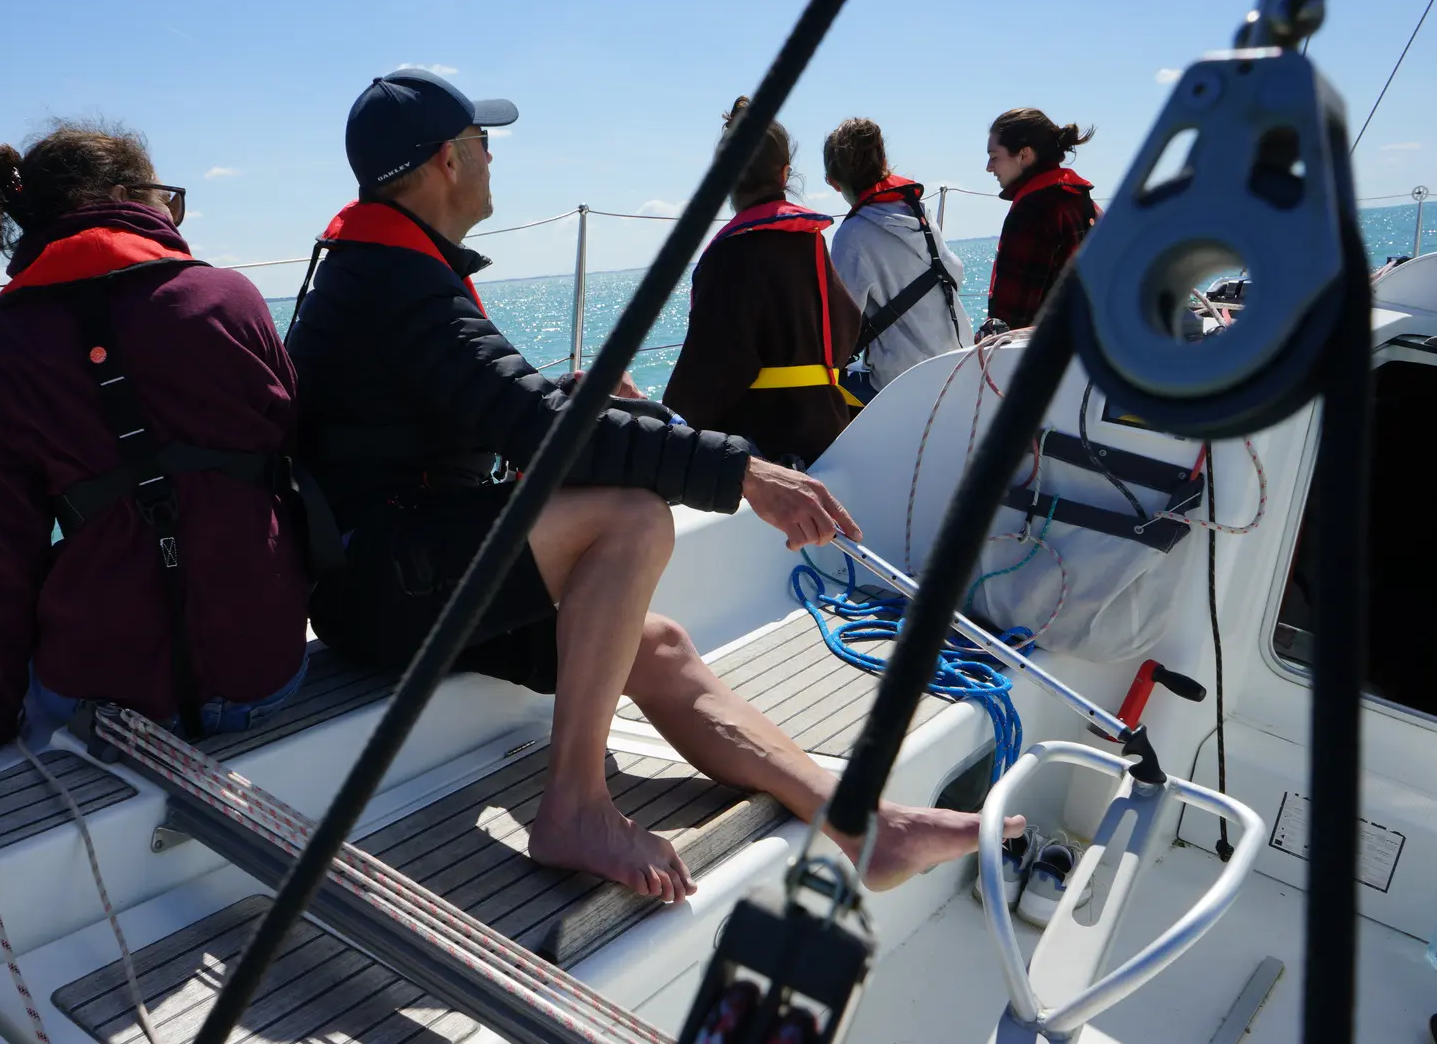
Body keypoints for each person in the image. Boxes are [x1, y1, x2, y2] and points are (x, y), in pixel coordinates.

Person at [287, 70, 1019, 903]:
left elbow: (491, 405)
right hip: (379, 583)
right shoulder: (394, 281)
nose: (494, 159)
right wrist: (740, 470)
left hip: (402, 568)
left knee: (657, 641)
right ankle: (573, 807)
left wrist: (584, 400)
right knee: (630, 520)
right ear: (449, 160)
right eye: (485, 144)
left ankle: (862, 822)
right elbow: (528, 427)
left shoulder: (385, 269)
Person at [0, 120, 318, 783]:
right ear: (130, 195)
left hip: (103, 710)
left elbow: (0, 560)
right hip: (265, 678)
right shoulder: (227, 299)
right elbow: (295, 442)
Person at [663, 98, 862, 469]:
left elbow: (709, 371)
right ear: (785, 174)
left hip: (764, 448)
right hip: (827, 432)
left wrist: (668, 428)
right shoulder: (810, 240)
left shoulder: (729, 253)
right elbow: (847, 323)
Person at [821, 117, 967, 399]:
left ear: (834, 183)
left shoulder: (852, 235)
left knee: (820, 391)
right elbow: (955, 272)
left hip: (901, 385)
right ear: (884, 161)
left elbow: (836, 329)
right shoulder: (918, 213)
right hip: (956, 367)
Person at [984, 108, 1099, 332]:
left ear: (1024, 155)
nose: (989, 168)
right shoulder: (1079, 198)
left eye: (994, 157)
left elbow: (1012, 320)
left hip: (1043, 355)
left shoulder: (1033, 211)